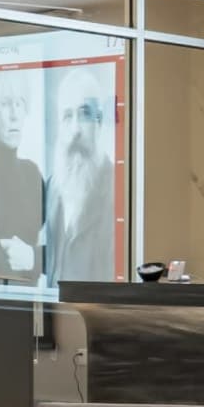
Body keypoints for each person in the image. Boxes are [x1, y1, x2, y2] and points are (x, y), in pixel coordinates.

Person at [0, 72, 47, 279]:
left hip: (36, 305)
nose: (15, 114)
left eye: (20, 102)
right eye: (6, 103)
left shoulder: (33, 174)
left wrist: (33, 257)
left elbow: (67, 252)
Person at [50, 71, 120, 283]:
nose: (75, 130)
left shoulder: (118, 191)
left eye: (84, 114)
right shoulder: (54, 187)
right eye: (67, 116)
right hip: (54, 313)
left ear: (99, 122)